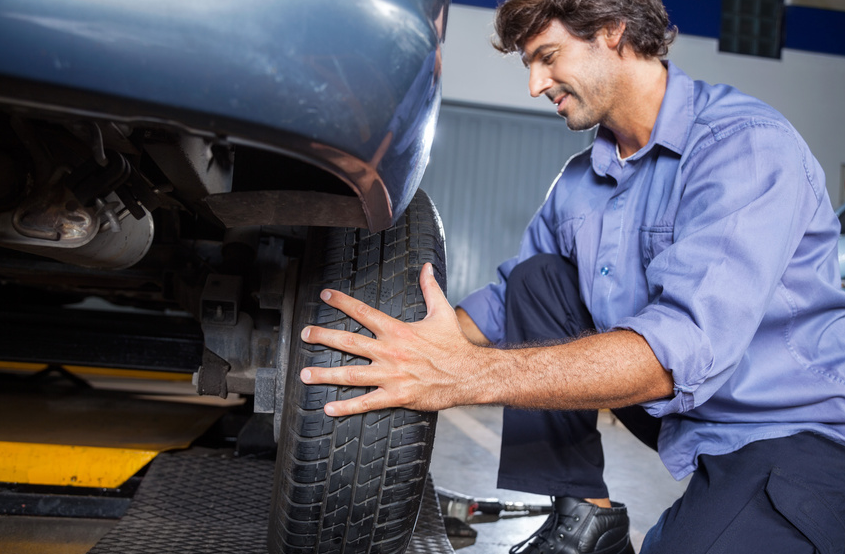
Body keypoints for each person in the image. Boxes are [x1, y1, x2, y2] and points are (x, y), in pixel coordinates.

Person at [298, 0, 845, 552]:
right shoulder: (582, 181)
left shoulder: (744, 147)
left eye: (547, 57)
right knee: (540, 279)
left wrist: (464, 374)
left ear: (612, 31)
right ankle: (588, 517)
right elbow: (514, 298)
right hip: (690, 417)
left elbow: (679, 351)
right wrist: (400, 348)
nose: (535, 85)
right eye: (527, 64)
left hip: (794, 438)